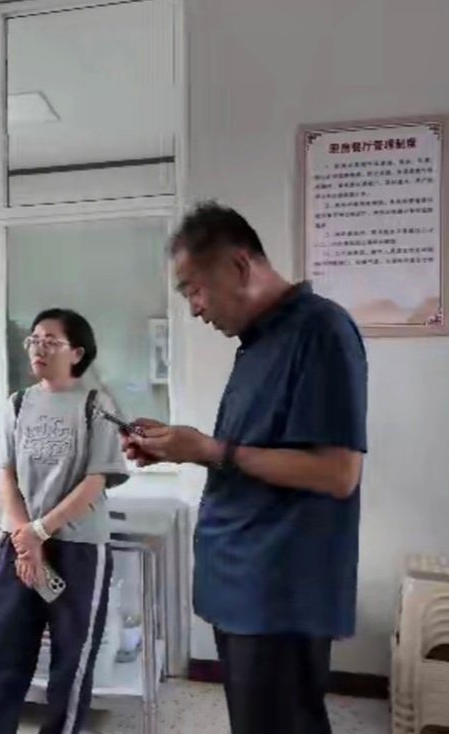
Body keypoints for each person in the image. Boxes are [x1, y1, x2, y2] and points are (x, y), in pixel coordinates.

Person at [124, 202, 368, 734]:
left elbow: (337, 472)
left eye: (194, 289)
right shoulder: (257, 344)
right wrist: (177, 446)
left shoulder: (320, 330)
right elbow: (239, 452)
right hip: (242, 586)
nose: (194, 309)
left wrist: (210, 450)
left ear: (239, 266)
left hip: (279, 594)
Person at [0, 308, 129, 734]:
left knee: (71, 661)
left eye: (51, 341)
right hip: (19, 543)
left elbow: (97, 480)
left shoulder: (97, 405)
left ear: (77, 353)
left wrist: (41, 532)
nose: (38, 349)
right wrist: (26, 538)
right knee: (2, 653)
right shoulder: (18, 403)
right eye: (34, 340)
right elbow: (7, 474)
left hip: (78, 546)